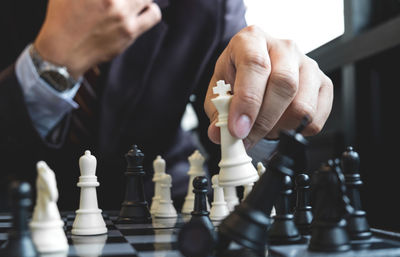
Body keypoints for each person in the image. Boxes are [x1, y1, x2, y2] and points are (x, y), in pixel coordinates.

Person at [0, 0, 333, 211]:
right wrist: (51, 63)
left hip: (164, 202)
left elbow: (234, 128)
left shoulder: (211, 7)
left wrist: (269, 110)